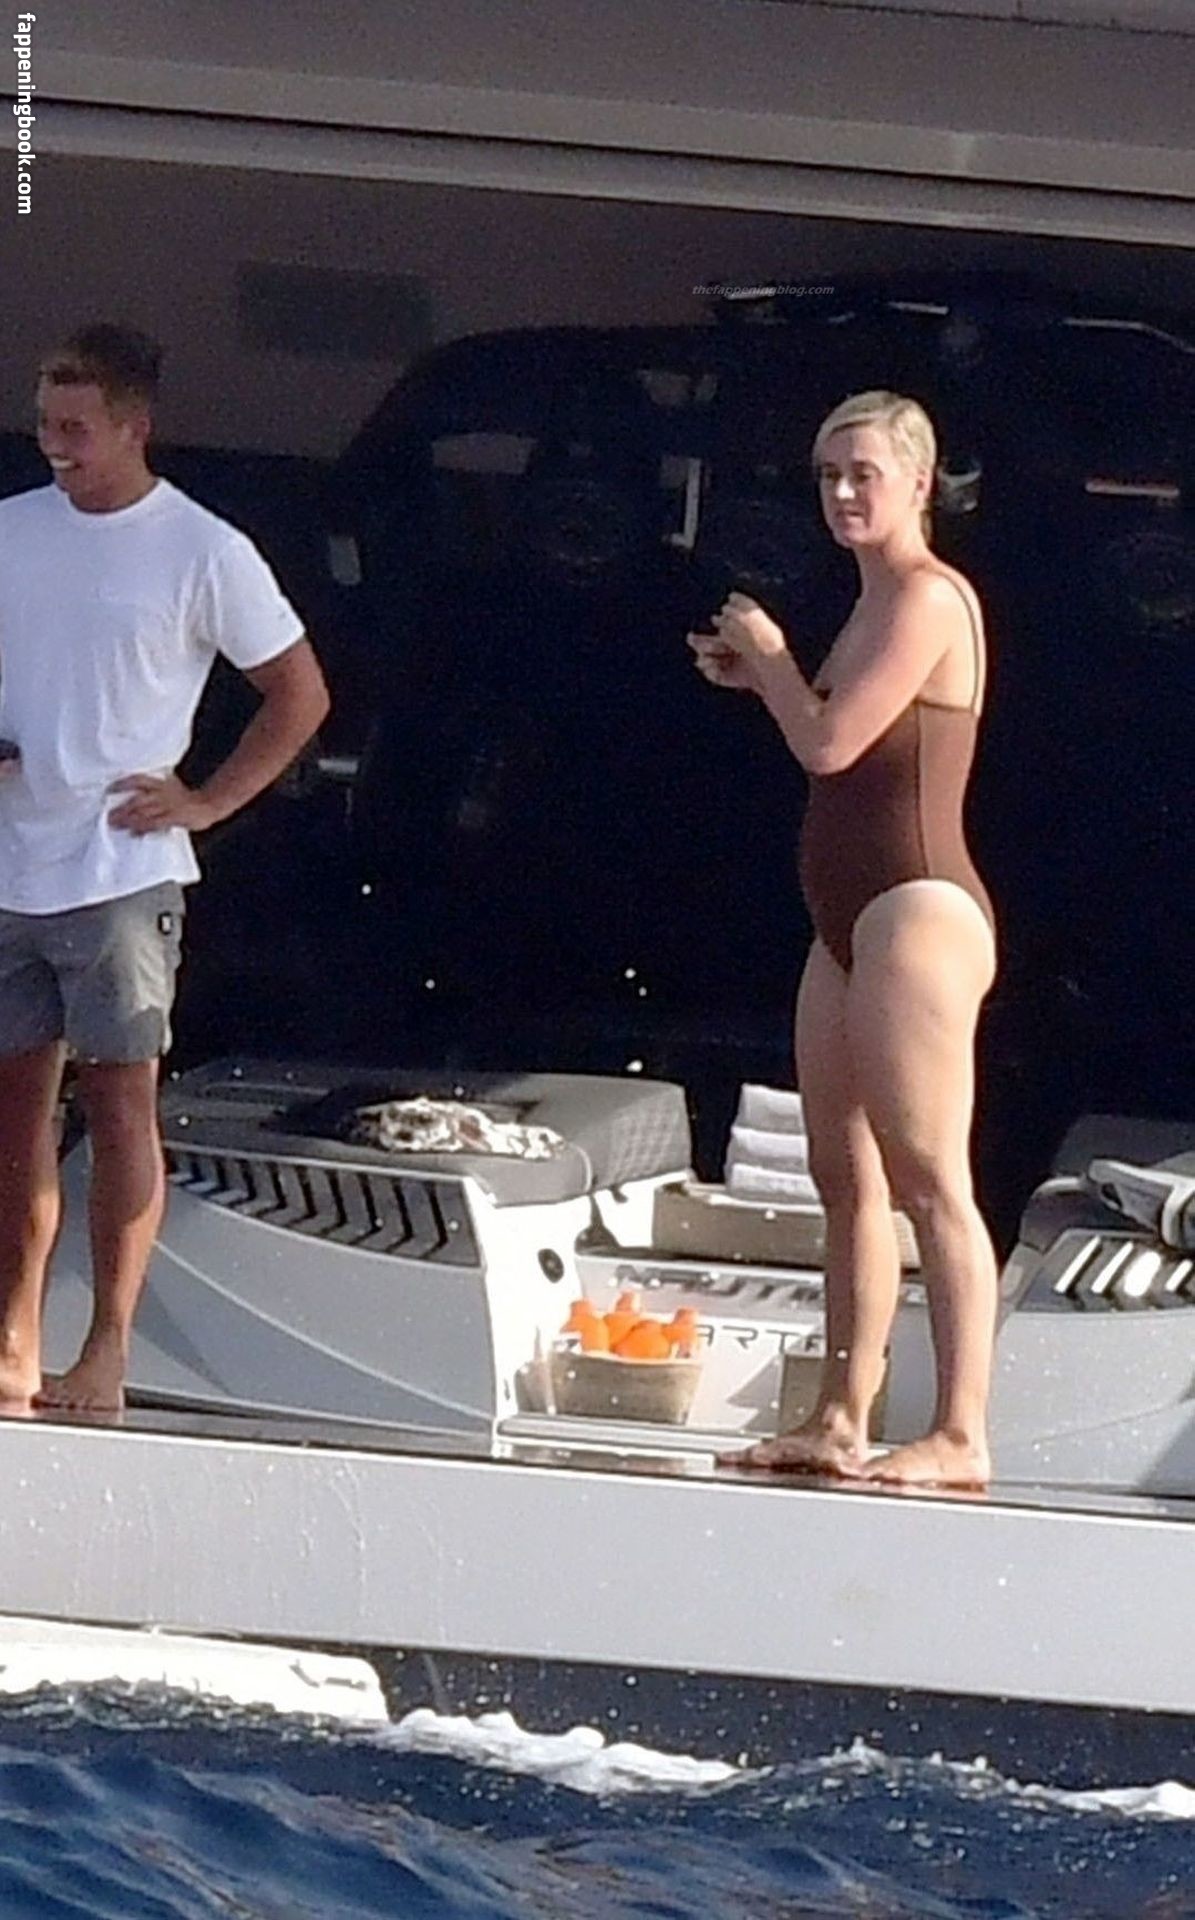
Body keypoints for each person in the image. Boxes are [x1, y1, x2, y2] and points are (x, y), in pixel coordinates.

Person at [0, 324, 330, 1415]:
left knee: (120, 1100)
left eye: (76, 428)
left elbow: (299, 692)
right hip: (12, 858)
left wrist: (209, 801)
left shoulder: (201, 548)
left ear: (134, 427)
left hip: (122, 867)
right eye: (45, 425)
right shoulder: (13, 531)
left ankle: (106, 1347)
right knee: (14, 1114)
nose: (56, 446)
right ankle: (13, 1339)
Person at [688, 390, 998, 1489]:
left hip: (916, 908)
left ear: (918, 481)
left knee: (928, 1175)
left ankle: (960, 1430)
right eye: (826, 475)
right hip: (846, 921)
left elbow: (829, 745)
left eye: (862, 473)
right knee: (843, 1176)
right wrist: (762, 678)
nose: (841, 493)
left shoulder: (926, 595)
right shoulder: (868, 607)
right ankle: (838, 1416)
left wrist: (774, 658)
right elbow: (830, 732)